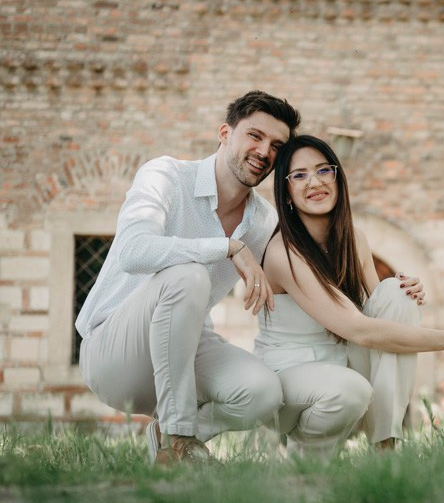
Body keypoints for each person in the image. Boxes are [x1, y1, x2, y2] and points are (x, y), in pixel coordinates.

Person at [76, 90, 302, 465]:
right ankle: (179, 439)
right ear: (225, 133)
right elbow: (134, 251)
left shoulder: (264, 221)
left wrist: (380, 290)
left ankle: (176, 433)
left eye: (277, 145)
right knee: (189, 276)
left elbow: (301, 277)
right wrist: (227, 246)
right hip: (113, 351)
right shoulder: (165, 175)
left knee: (263, 392)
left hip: (185, 351)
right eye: (255, 136)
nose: (265, 151)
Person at [255, 135, 444, 456]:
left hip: (341, 364)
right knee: (350, 390)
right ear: (286, 193)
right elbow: (361, 331)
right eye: (299, 175)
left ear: (338, 179)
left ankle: (385, 444)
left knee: (396, 293)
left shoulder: (354, 239)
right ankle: (309, 452)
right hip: (290, 380)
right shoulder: (283, 252)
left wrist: (406, 294)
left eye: (324, 171)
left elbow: (381, 311)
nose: (314, 182)